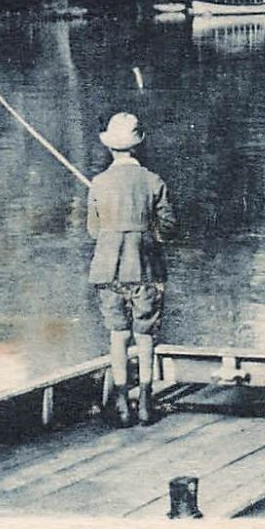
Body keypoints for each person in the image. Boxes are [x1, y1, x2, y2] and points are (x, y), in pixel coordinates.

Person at [87, 112, 176, 426]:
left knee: (118, 335)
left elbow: (93, 231)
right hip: (145, 268)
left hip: (108, 270)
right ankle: (146, 404)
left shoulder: (98, 182)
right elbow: (168, 228)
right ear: (137, 146)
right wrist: (148, 228)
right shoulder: (154, 181)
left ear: (111, 148)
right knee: (145, 337)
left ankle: (123, 403)